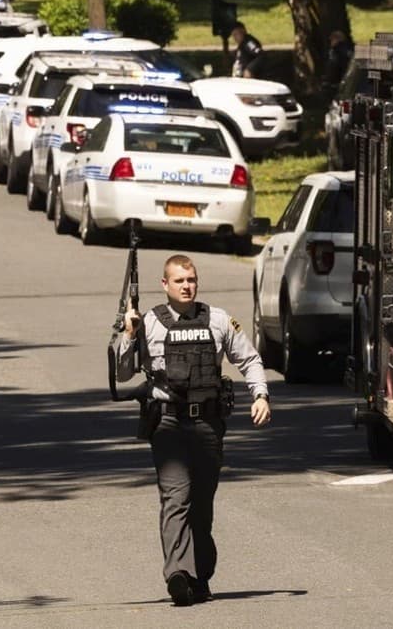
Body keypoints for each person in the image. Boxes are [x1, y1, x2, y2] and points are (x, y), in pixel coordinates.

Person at [115, 255, 272, 607]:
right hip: (167, 423)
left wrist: (260, 394)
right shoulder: (149, 323)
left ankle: (199, 575)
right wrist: (128, 333)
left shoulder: (217, 320)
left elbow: (249, 359)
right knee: (176, 498)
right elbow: (123, 374)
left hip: (207, 424)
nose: (187, 286)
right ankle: (177, 575)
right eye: (180, 280)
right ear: (165, 284)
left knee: (201, 504)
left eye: (192, 279)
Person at [323, 29, 353, 95]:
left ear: (337, 39)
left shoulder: (340, 51)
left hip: (336, 85)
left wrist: (331, 81)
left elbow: (340, 66)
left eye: (332, 39)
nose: (331, 42)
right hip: (336, 83)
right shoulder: (337, 50)